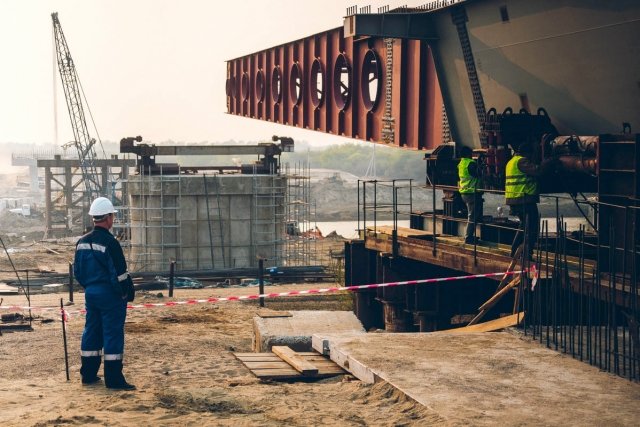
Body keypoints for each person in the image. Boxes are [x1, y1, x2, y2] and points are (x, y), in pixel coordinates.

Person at [74, 197, 136, 390]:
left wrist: (90, 288)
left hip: (91, 294)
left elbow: (78, 273)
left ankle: (89, 375)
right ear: (108, 217)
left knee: (91, 331)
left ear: (94, 217)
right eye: (113, 216)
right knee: (112, 334)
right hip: (110, 296)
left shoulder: (82, 242)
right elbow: (120, 274)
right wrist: (126, 293)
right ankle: (114, 379)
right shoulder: (111, 243)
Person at [505, 142, 558, 258]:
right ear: (527, 153)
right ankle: (526, 254)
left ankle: (515, 252)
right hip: (524, 200)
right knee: (532, 228)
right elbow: (538, 170)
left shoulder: (511, 162)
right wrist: (548, 162)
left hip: (515, 199)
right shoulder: (521, 161)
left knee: (524, 226)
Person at [458, 146, 483, 244]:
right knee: (472, 216)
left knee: (472, 215)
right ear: (469, 154)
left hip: (464, 192)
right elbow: (478, 174)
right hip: (472, 192)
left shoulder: (461, 163)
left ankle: (470, 236)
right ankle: (468, 238)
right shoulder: (470, 163)